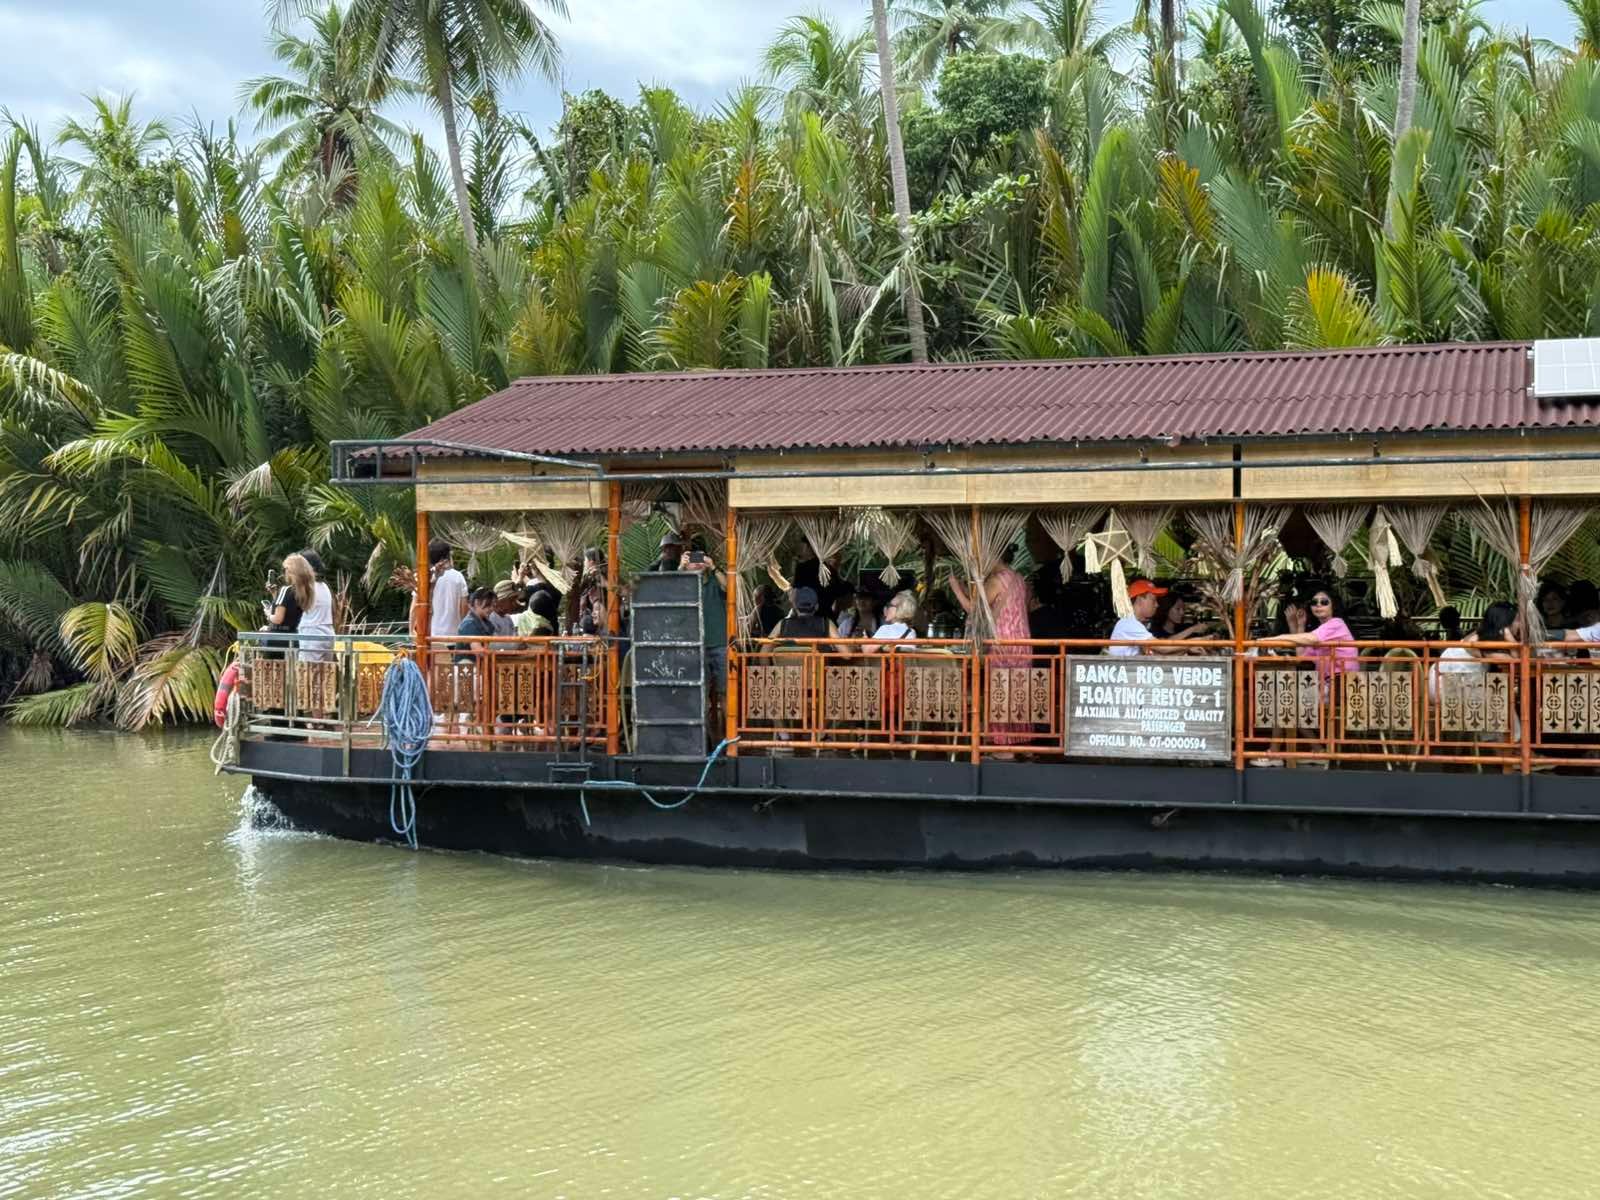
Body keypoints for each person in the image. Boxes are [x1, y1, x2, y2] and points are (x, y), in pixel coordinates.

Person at [949, 547, 1031, 750]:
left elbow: (975, 610)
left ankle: (1002, 747)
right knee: (1018, 693)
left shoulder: (996, 580)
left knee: (1000, 692)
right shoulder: (1018, 578)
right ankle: (1021, 743)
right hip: (1022, 640)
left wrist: (955, 588)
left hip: (1002, 642)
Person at [1258, 586, 1359, 684]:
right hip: (1328, 682)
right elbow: (1301, 655)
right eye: (1314, 602)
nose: (1318, 605)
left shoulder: (1337, 623)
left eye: (1324, 602)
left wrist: (1276, 639)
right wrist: (1299, 624)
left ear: (1333, 606)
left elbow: (1312, 639)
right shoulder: (1321, 629)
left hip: (1343, 681)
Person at [1105, 579, 1205, 656]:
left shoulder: (1134, 624)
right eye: (1153, 600)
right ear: (1140, 600)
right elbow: (1162, 648)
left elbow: (1158, 654)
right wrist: (1195, 641)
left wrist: (1186, 648)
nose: (1157, 605)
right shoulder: (1129, 623)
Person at [414, 539, 468, 643]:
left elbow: (415, 608)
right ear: (446, 557)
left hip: (429, 636)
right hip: (453, 637)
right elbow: (464, 608)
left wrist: (412, 631)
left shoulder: (423, 577)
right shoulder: (458, 577)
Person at [296, 548, 336, 661]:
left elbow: (290, 609)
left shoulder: (308, 587)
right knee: (325, 675)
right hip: (327, 633)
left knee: (307, 675)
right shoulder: (324, 586)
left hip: (311, 635)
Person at [265, 553, 315, 634]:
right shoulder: (307, 591)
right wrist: (275, 594)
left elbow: (278, 619)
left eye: (284, 569)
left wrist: (268, 614)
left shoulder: (286, 590)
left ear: (290, 570)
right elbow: (289, 609)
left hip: (277, 636)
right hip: (294, 635)